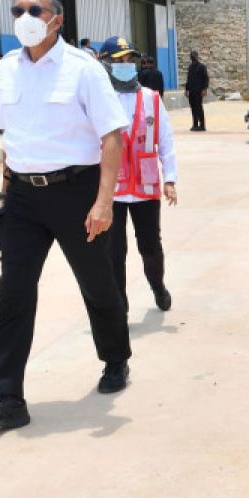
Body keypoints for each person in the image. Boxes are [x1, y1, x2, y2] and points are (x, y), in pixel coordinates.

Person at [0, 0, 132, 431]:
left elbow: (111, 137)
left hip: (75, 192)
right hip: (21, 197)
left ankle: (115, 357)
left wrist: (104, 203)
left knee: (98, 284)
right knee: (13, 293)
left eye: (34, 11)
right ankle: (5, 395)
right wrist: (5, 193)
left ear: (56, 18)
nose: (25, 18)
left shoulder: (83, 69)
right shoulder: (8, 67)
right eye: (18, 10)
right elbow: (12, 137)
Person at [101, 36, 178, 313]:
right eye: (118, 60)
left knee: (150, 246)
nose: (125, 65)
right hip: (111, 188)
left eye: (128, 60)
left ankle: (157, 285)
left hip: (145, 186)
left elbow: (166, 140)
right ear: (106, 64)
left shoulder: (150, 98)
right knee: (114, 251)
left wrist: (169, 179)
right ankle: (119, 304)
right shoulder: (98, 99)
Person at [184, 50, 209, 131]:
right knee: (193, 107)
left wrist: (204, 89)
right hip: (191, 90)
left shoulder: (202, 67)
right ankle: (195, 124)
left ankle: (202, 125)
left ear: (197, 56)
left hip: (199, 91)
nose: (193, 57)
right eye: (191, 56)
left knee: (199, 107)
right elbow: (188, 79)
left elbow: (206, 79)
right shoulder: (190, 67)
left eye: (194, 56)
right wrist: (186, 89)